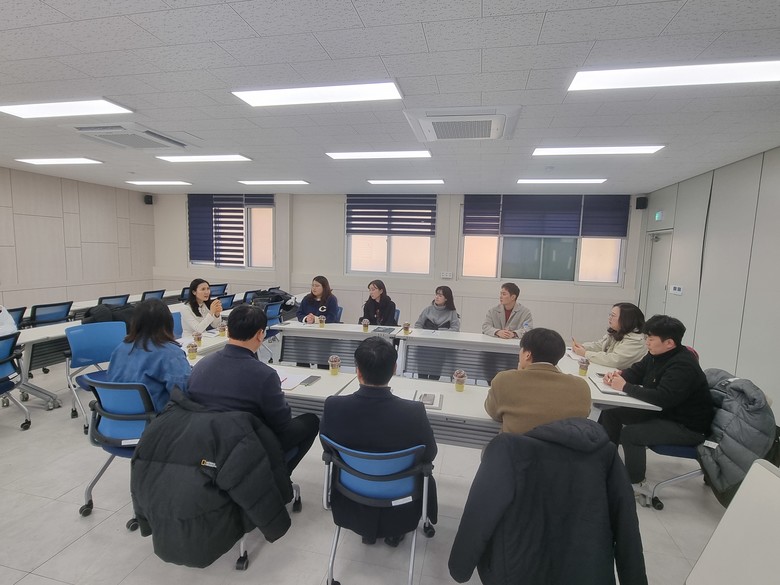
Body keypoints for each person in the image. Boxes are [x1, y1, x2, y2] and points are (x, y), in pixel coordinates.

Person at [449, 419, 647, 585]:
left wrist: (460, 568)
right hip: (587, 570)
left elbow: (480, 515)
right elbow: (627, 525)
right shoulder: (608, 454)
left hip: (516, 570)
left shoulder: (507, 449)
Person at [320, 336, 437, 546]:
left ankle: (368, 527)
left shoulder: (334, 406)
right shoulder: (413, 412)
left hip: (350, 499)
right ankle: (393, 532)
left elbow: (328, 450)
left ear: (357, 371)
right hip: (402, 504)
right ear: (394, 369)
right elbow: (430, 454)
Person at [187, 303, 319, 474]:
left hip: (204, 443)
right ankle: (277, 478)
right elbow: (281, 423)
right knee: (311, 421)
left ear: (228, 330)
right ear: (260, 334)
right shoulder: (265, 375)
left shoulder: (200, 366)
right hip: (246, 446)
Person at [599, 315, 714, 491]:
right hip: (664, 412)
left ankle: (635, 483)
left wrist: (625, 387)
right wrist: (619, 376)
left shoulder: (683, 365)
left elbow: (662, 397)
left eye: (651, 339)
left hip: (687, 426)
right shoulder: (656, 354)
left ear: (669, 343)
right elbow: (636, 372)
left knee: (631, 434)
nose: (647, 343)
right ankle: (606, 461)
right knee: (611, 411)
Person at [485, 328, 591, 434]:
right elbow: (583, 416)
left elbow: (493, 413)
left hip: (516, 444)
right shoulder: (581, 387)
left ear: (527, 355)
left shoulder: (504, 380)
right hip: (563, 444)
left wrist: (518, 374)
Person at [107, 299, 191, 412]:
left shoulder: (120, 348)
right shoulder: (170, 353)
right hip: (154, 419)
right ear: (168, 322)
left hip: (115, 415)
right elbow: (185, 394)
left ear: (135, 322)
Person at [572, 302, 646, 369]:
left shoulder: (636, 341)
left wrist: (585, 353)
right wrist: (583, 347)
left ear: (626, 320)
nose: (609, 318)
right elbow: (600, 345)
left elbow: (614, 360)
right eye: (610, 315)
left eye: (613, 316)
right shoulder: (617, 332)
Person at [413, 285, 461, 379]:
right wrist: (424, 334)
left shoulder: (452, 312)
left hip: (440, 347)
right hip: (424, 346)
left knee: (434, 376)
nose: (437, 297)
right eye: (436, 294)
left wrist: (440, 332)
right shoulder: (427, 310)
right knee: (422, 376)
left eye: (440, 295)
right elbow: (418, 325)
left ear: (446, 298)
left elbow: (455, 329)